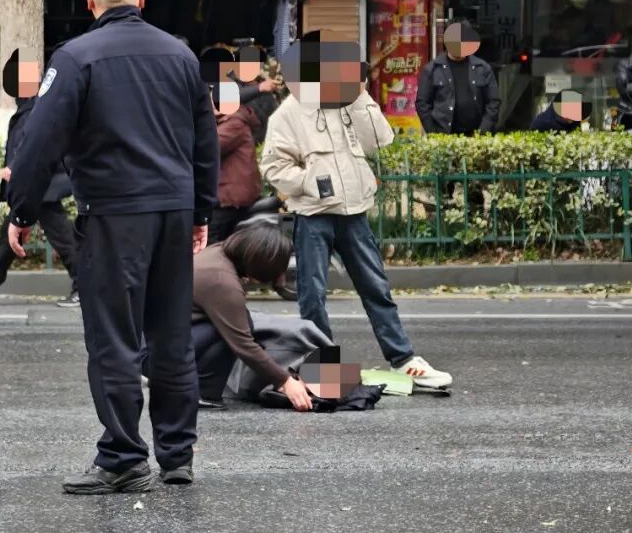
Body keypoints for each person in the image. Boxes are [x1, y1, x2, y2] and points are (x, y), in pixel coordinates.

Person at [5, 0, 219, 494]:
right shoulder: (181, 56)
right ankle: (177, 453)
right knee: (171, 333)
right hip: (172, 211)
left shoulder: (76, 58)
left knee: (113, 339)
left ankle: (123, 455)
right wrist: (201, 212)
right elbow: (204, 142)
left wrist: (23, 210)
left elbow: (39, 144)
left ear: (90, 0)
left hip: (113, 214)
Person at [261, 31, 453, 391]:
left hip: (354, 212)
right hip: (313, 214)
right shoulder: (288, 112)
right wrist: (310, 181)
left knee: (375, 287)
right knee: (313, 295)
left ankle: (404, 359)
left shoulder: (350, 101)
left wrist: (361, 95)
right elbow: (274, 167)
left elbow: (381, 140)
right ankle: (319, 365)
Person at [0, 49, 81, 308]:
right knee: (11, 234)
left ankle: (81, 286)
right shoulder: (29, 105)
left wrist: (15, 168)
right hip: (36, 183)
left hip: (42, 185)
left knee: (61, 237)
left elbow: (34, 145)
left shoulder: (34, 107)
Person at [188, 225, 312, 411]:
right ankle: (201, 393)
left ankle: (188, 385)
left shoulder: (218, 252)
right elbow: (243, 344)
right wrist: (285, 381)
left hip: (156, 341)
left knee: (241, 321)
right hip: (155, 352)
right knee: (232, 331)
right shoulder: (223, 282)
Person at [416, 21, 500, 135]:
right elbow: (422, 104)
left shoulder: (483, 68)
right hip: (443, 137)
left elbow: (493, 102)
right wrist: (434, 134)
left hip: (477, 138)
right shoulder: (432, 69)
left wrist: (482, 133)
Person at [208, 84, 263, 244]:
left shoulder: (235, 123)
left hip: (230, 199)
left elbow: (208, 149)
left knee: (210, 245)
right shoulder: (227, 122)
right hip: (228, 197)